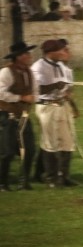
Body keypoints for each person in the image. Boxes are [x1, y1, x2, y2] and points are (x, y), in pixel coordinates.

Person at [31, 39, 78, 188]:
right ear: (50, 52)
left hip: (62, 106)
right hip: (47, 106)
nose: (63, 52)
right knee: (50, 142)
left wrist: (70, 99)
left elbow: (68, 87)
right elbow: (37, 90)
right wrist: (54, 86)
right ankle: (50, 177)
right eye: (60, 50)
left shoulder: (62, 67)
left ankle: (64, 176)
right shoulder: (38, 67)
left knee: (67, 141)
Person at [0, 42, 37, 191]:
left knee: (30, 149)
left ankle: (24, 181)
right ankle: (2, 183)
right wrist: (21, 97)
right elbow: (1, 93)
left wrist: (34, 98)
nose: (29, 56)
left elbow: (35, 90)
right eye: (25, 54)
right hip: (7, 116)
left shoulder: (29, 72)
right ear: (18, 57)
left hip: (24, 116)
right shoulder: (6, 72)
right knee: (7, 151)